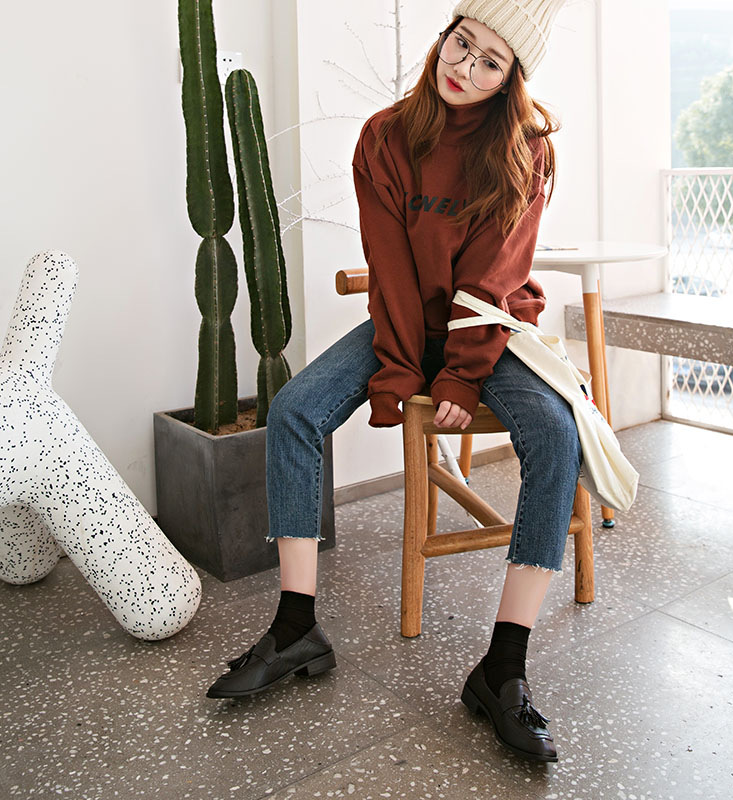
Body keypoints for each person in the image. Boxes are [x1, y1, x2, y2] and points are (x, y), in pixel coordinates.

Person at [207, 0, 574, 763]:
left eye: (489, 62)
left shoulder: (528, 150)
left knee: (554, 431)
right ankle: (296, 627)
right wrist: (401, 370)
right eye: (461, 44)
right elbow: (393, 271)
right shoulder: (385, 136)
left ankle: (503, 668)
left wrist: (462, 377)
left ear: (512, 79)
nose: (464, 67)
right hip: (408, 321)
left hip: (490, 325)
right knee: (294, 409)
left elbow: (494, 277)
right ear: (445, 36)